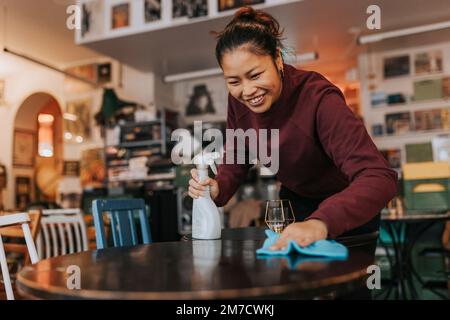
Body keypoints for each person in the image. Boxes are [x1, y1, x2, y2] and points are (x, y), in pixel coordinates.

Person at [188, 6, 397, 251]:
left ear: (277, 59)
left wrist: (321, 222)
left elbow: (379, 176)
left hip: (346, 207)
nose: (246, 91)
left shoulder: (318, 97)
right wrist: (218, 187)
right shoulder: (239, 101)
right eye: (234, 81)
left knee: (345, 289)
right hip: (296, 205)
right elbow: (237, 154)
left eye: (255, 75)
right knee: (296, 283)